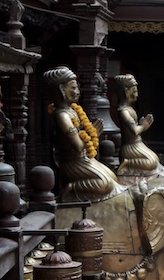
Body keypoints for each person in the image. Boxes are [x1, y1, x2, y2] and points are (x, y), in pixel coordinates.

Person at [44, 66, 119, 201]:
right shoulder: (62, 116)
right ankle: (72, 188)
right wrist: (93, 134)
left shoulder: (73, 110)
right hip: (73, 162)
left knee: (113, 178)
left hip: (85, 159)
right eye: (73, 88)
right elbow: (78, 146)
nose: (77, 91)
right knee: (104, 185)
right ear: (61, 90)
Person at [108, 73, 161, 173]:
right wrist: (143, 126)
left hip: (137, 143)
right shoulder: (123, 111)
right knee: (151, 162)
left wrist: (140, 124)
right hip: (130, 147)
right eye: (135, 91)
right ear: (126, 92)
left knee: (155, 160)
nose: (137, 95)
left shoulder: (129, 109)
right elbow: (134, 130)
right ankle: (127, 163)